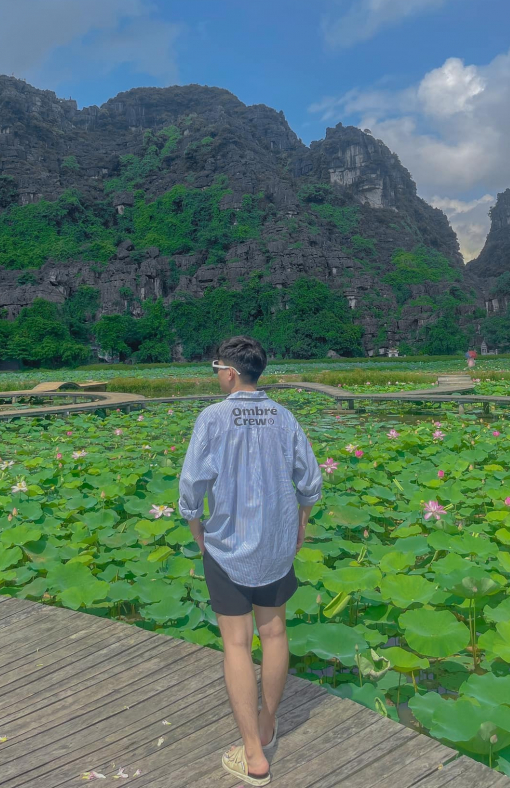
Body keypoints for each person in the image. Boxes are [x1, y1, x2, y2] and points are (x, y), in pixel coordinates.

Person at [178, 335, 322, 786]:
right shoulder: (284, 417)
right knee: (275, 631)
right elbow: (310, 481)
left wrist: (195, 526)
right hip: (277, 546)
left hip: (227, 546)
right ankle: (267, 722)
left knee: (237, 644)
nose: (216, 374)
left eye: (216, 367)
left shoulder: (212, 418)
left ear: (231, 372)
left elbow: (192, 487)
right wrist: (300, 522)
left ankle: (254, 755)